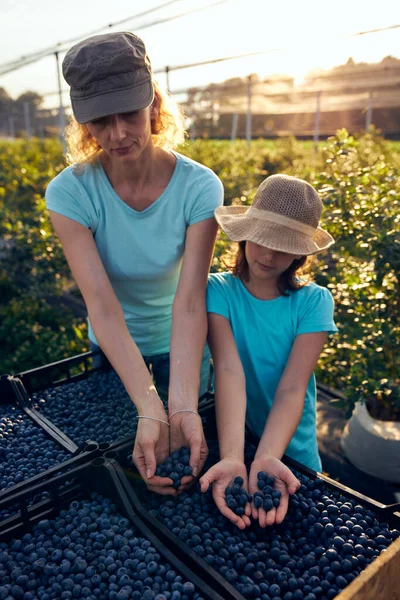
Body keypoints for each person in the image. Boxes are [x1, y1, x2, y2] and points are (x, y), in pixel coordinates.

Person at [45, 31, 223, 494]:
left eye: (129, 114)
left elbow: (189, 302)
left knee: (182, 459)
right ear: (84, 125)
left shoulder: (199, 188)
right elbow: (102, 307)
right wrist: (148, 403)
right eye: (101, 121)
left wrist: (179, 403)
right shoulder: (70, 194)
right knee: (124, 469)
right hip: (115, 348)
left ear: (154, 106)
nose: (118, 133)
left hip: (182, 349)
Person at [199, 174, 337, 528]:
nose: (270, 253)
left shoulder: (313, 303)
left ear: (302, 253)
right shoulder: (219, 291)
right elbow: (228, 370)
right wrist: (234, 456)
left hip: (292, 450)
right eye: (262, 239)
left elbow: (293, 388)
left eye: (285, 245)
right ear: (245, 233)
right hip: (239, 437)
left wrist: (267, 458)